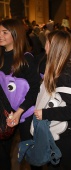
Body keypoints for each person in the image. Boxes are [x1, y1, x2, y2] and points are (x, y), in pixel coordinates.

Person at [34, 30, 71, 170]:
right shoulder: (59, 67)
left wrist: (45, 113)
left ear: (55, 47)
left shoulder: (65, 73)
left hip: (64, 133)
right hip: (61, 130)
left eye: (47, 42)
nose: (44, 45)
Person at [0, 19, 41, 170]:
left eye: (5, 32)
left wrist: (19, 112)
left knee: (30, 152)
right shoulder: (1, 56)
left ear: (16, 34)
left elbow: (35, 88)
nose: (0, 35)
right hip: (5, 113)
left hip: (25, 112)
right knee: (3, 152)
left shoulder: (26, 59)